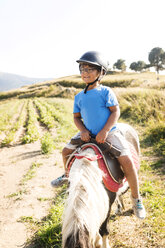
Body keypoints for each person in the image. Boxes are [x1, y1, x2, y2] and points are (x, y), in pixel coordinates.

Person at [51, 51, 146, 219]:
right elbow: (76, 117)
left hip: (108, 133)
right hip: (87, 133)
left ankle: (136, 198)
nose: (85, 72)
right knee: (65, 152)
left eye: (90, 69)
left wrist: (105, 131)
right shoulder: (79, 96)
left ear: (101, 72)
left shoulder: (106, 92)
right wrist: (82, 130)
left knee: (127, 161)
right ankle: (67, 176)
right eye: (82, 69)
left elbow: (115, 112)